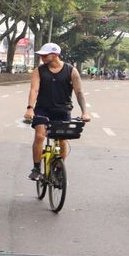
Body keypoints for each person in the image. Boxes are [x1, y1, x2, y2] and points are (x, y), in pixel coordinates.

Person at [23, 42, 90, 181]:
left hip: (63, 110)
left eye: (45, 55)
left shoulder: (71, 70)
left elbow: (79, 92)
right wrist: (30, 108)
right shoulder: (39, 70)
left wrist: (85, 112)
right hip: (42, 109)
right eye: (41, 55)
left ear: (55, 55)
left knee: (62, 141)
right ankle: (36, 168)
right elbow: (34, 90)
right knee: (40, 136)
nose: (42, 57)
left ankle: (59, 169)